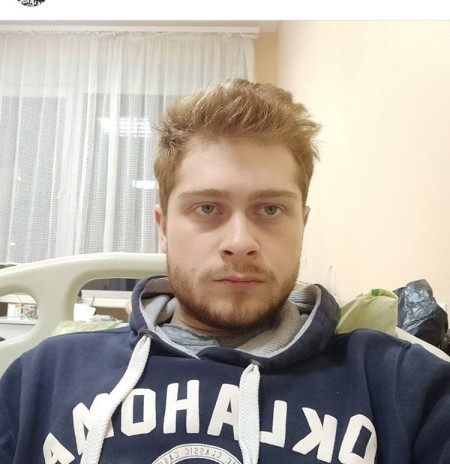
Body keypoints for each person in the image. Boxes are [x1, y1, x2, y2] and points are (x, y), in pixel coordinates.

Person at [1, 79, 450, 464]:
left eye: (270, 209)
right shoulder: (44, 376)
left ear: (302, 224)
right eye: (207, 208)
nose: (240, 241)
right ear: (163, 228)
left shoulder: (402, 386)